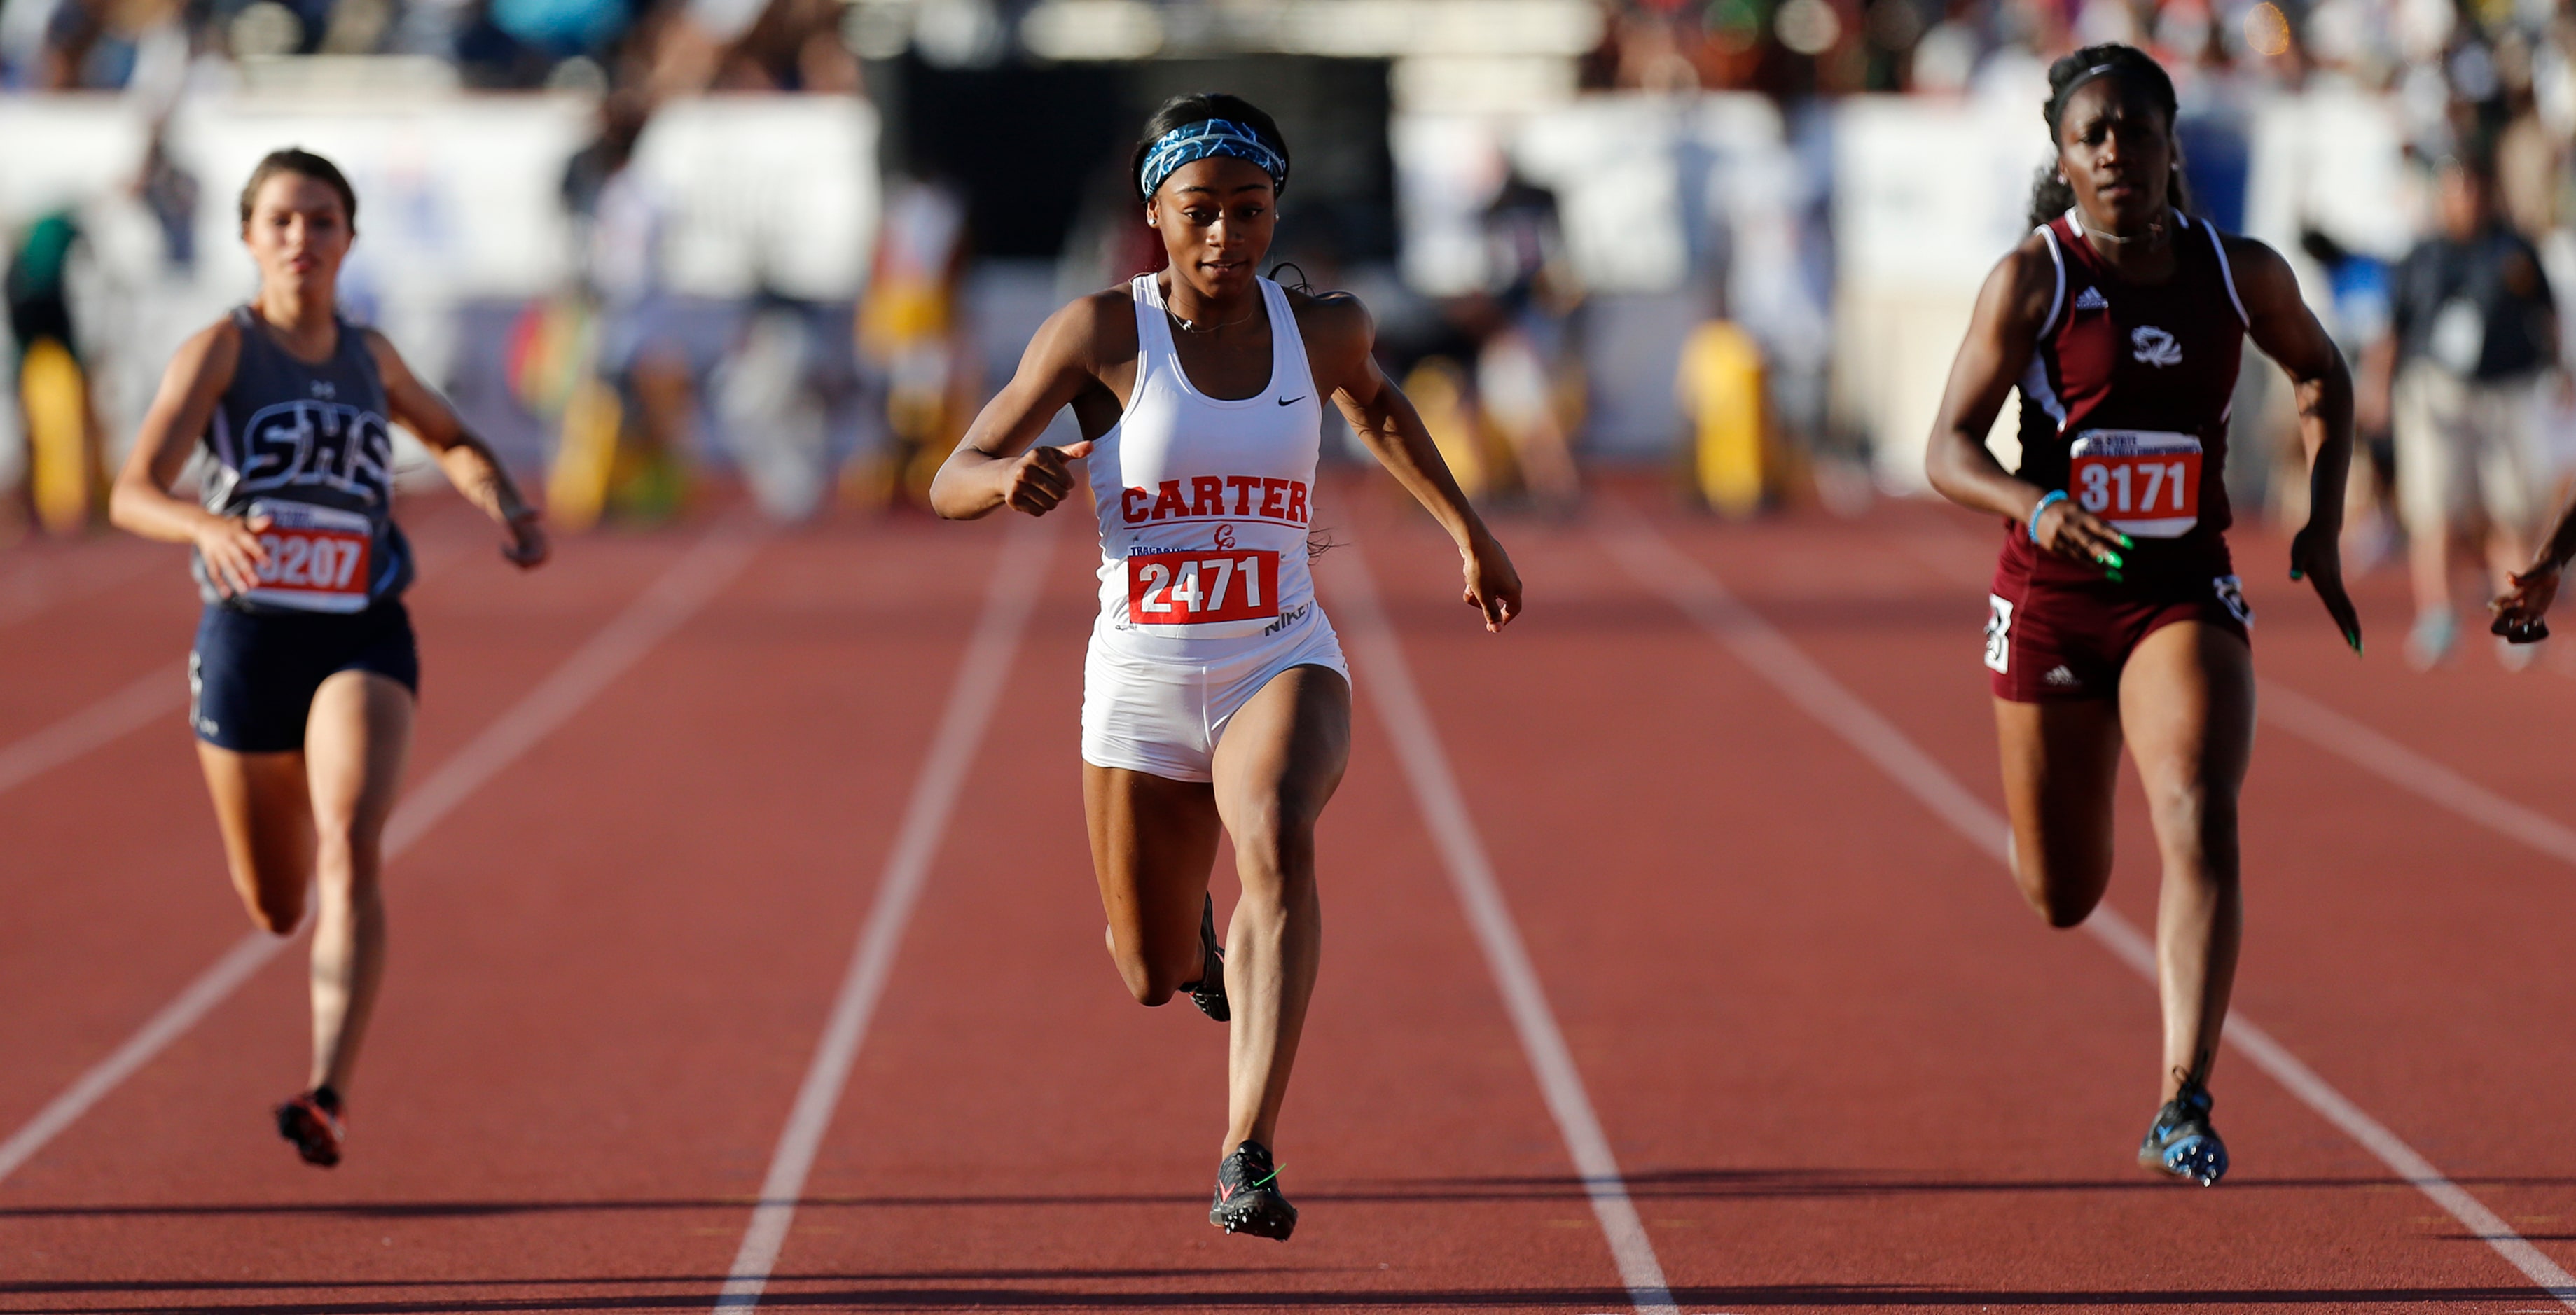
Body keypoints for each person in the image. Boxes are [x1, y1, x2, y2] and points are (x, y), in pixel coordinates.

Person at [929, 94, 1521, 1239]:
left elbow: (1380, 408)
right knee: (1146, 968)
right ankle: (1194, 948)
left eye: (1248, 213)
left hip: (1278, 653)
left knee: (1277, 834)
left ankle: (1245, 1147)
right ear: (1154, 213)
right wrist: (1002, 483)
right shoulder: (1099, 333)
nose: (1224, 239)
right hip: (1143, 679)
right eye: (1199, 212)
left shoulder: (1322, 328)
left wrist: (1466, 530)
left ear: (1272, 213)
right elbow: (953, 466)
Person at [1922, 45, 2362, 1188]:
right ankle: (2077, 799)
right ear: (2063, 159)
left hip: (2178, 588)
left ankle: (2182, 1096)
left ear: (2171, 143)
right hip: (2053, 597)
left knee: (2196, 806)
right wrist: (2036, 502)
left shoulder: (2236, 272)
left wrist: (2318, 520)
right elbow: (1943, 448)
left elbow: (2321, 372)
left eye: (2133, 128)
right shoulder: (2032, 280)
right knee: (2061, 892)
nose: (2115, 151)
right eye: (2091, 135)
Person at [107, 148, 549, 1168]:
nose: (302, 238)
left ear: (350, 238)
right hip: (250, 636)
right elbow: (131, 488)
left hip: (360, 625)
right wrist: (200, 528)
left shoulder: (371, 354)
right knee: (275, 902)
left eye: (322, 221)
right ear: (249, 237)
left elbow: (455, 437)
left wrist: (508, 506)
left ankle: (328, 1091)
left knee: (352, 841)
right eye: (282, 221)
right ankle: (291, 905)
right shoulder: (219, 350)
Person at [2360, 155, 2561, 669]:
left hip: (2504, 390)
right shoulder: (2422, 256)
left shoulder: (2513, 249)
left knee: (2509, 510)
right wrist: (2378, 387)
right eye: (2456, 190)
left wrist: (2561, 370)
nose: (2466, 201)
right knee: (2436, 509)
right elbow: (2393, 325)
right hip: (2436, 393)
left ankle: (2514, 615)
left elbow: (2547, 315)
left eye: (2474, 189)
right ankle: (2438, 614)